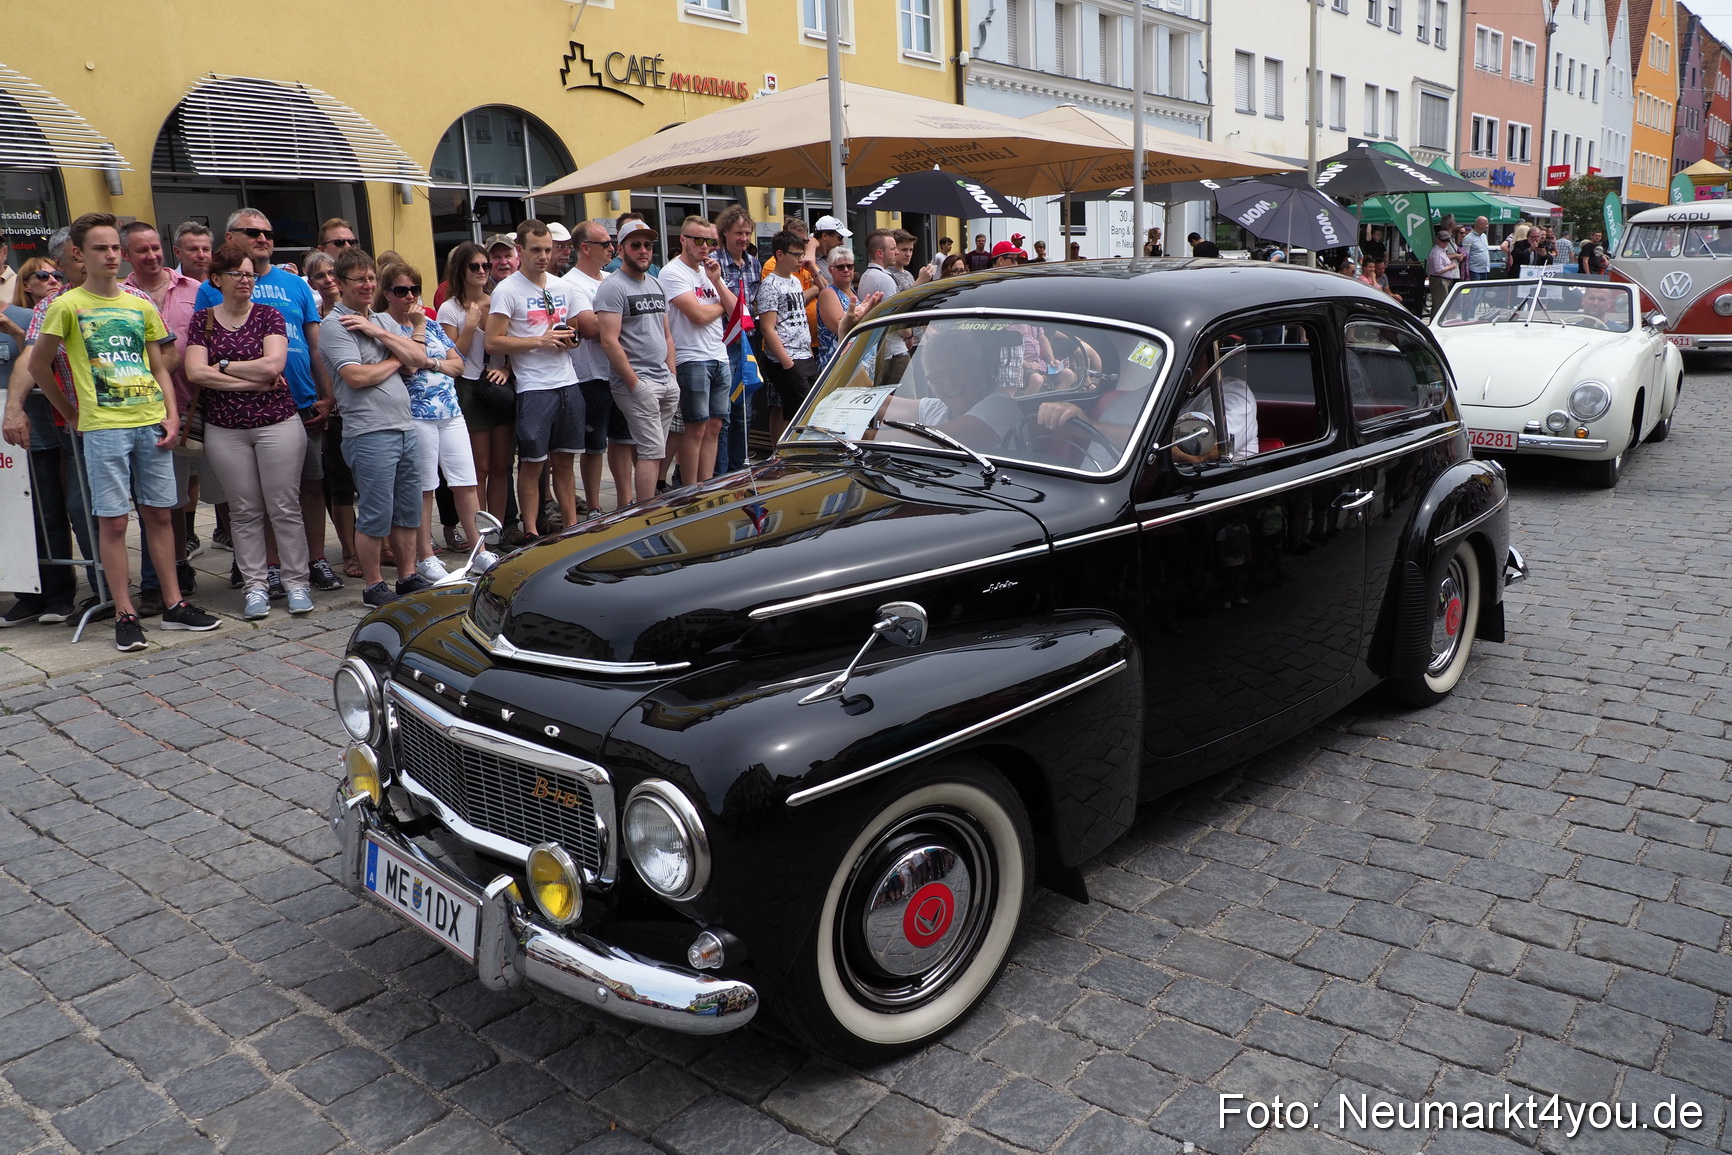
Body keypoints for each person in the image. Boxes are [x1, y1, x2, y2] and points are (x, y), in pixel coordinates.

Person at [29, 213, 220, 650]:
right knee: (113, 522)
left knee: (160, 514)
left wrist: (171, 414)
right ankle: (124, 612)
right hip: (104, 428)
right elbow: (39, 364)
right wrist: (70, 413)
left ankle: (173, 604)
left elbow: (158, 365)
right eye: (101, 248)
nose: (111, 255)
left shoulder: (138, 302)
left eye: (115, 247)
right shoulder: (66, 305)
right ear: (79, 254)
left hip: (148, 420)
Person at [194, 208, 342, 593]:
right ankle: (270, 567)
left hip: (301, 400)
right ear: (230, 237)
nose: (263, 239)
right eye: (253, 232)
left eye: (268, 233)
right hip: (237, 415)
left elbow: (314, 346)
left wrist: (327, 395)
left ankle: (316, 559)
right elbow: (200, 360)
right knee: (254, 498)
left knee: (307, 488)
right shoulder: (210, 290)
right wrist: (247, 375)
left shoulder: (294, 285)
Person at [184, 242, 314, 620]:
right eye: (236, 274)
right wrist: (249, 379)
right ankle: (255, 587)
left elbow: (273, 366)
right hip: (225, 429)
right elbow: (195, 372)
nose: (245, 280)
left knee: (284, 506)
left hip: (277, 423)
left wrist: (222, 365)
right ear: (216, 279)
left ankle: (296, 583)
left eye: (250, 274)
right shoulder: (203, 320)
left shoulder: (269, 315)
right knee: (243, 510)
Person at [319, 247, 421, 607]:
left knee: (407, 511)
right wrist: (395, 358)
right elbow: (357, 377)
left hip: (404, 427)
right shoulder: (334, 325)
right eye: (359, 279)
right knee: (376, 513)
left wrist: (377, 332)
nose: (367, 285)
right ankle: (374, 585)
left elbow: (418, 360)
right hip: (369, 431)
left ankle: (408, 576)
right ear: (340, 283)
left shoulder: (380, 320)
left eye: (371, 278)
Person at [372, 261, 476, 582]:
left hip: (450, 411)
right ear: (387, 293)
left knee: (465, 481)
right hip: (417, 414)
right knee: (424, 487)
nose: (410, 296)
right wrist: (427, 350)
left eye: (414, 289)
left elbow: (458, 364)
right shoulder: (386, 325)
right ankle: (425, 555)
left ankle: (480, 549)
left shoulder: (430, 323)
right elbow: (409, 366)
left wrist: (431, 361)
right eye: (401, 290)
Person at [122, 221, 202, 616]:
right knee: (163, 500)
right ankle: (170, 572)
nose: (152, 255)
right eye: (142, 250)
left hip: (201, 405)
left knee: (222, 491)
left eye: (155, 247)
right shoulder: (121, 296)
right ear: (126, 255)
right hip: (150, 410)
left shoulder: (195, 289)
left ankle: (243, 565)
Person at [486, 220, 584, 534]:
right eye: (536, 250)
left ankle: (572, 527)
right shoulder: (507, 289)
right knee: (532, 462)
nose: (543, 256)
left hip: (568, 381)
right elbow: (493, 341)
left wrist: (571, 339)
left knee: (565, 462)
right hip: (533, 386)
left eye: (547, 250)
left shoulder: (562, 286)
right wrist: (539, 340)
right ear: (520, 250)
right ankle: (531, 530)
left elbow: (574, 330)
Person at [0, 258, 79, 626]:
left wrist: (13, 330)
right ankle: (25, 594)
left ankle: (57, 594)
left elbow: (38, 364)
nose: (51, 280)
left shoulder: (26, 315)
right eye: (42, 275)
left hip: (33, 435)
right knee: (9, 516)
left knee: (45, 513)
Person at [594, 219, 678, 503]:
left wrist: (672, 375)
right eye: (636, 245)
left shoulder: (656, 284)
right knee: (651, 451)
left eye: (648, 245)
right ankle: (646, 513)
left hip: (664, 380)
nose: (643, 250)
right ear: (621, 250)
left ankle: (647, 507)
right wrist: (635, 384)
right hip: (636, 382)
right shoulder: (613, 287)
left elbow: (667, 334)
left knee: (656, 451)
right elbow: (609, 340)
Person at [561, 221, 634, 510]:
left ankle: (626, 502)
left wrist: (615, 323)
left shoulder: (612, 279)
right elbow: (591, 326)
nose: (612, 248)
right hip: (591, 375)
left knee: (624, 440)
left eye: (612, 242)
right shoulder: (571, 283)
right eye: (605, 244)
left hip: (618, 370)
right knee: (594, 446)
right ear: (585, 248)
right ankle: (593, 507)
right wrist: (621, 321)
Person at [440, 242, 513, 526]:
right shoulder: (449, 308)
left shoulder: (498, 300)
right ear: (461, 270)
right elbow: (452, 357)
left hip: (499, 385)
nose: (482, 271)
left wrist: (506, 368)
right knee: (479, 468)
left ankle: (499, 528)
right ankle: (482, 531)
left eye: (486, 265)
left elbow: (512, 345)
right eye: (475, 266)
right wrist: (470, 325)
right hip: (469, 387)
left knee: (502, 466)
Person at [662, 214, 736, 486]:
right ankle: (690, 488)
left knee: (715, 426)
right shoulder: (672, 272)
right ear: (683, 240)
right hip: (691, 357)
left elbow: (738, 313)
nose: (705, 247)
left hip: (718, 355)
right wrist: (721, 307)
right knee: (695, 427)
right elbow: (698, 315)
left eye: (710, 242)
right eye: (698, 240)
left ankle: (707, 487)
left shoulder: (709, 271)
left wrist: (717, 282)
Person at [877, 329, 1021, 450]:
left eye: (958, 371)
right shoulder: (937, 409)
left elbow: (953, 436)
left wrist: (868, 437)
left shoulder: (1000, 406)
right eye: (937, 376)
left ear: (977, 369)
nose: (949, 382)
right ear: (929, 382)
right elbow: (879, 404)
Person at [757, 230, 821, 442]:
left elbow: (819, 292)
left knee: (813, 409)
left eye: (802, 254)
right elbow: (767, 328)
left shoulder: (794, 281)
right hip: (787, 358)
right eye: (796, 255)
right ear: (780, 254)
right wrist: (787, 364)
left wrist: (814, 271)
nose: (801, 259)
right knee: (800, 414)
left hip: (805, 355)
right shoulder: (770, 286)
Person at [714, 204, 761, 477]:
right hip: (723, 345)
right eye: (738, 233)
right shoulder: (714, 262)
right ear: (725, 233)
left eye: (747, 233)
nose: (743, 238)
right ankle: (721, 474)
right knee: (724, 413)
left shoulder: (754, 263)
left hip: (746, 345)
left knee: (744, 411)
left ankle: (739, 470)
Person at [857, 230, 910, 382]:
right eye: (893, 249)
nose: (897, 252)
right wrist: (909, 334)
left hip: (880, 351)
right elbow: (895, 319)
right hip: (894, 352)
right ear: (880, 253)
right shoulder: (884, 279)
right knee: (905, 395)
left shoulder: (866, 276)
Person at [816, 248, 878, 369]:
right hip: (840, 363)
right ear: (830, 270)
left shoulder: (852, 292)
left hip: (860, 362)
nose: (846, 270)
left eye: (849, 266)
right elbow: (839, 328)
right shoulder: (828, 293)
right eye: (840, 267)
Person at [1426, 226, 1462, 317]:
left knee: (1442, 304)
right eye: (1443, 241)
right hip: (1439, 281)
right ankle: (1435, 322)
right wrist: (1451, 266)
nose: (1445, 243)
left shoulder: (1442, 251)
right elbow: (1438, 270)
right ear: (1437, 240)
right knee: (1440, 305)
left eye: (1447, 241)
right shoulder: (1437, 252)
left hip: (1443, 280)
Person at [305, 251, 340, 318]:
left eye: (332, 273)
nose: (329, 280)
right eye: (320, 276)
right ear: (311, 284)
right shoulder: (312, 317)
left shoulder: (358, 308)